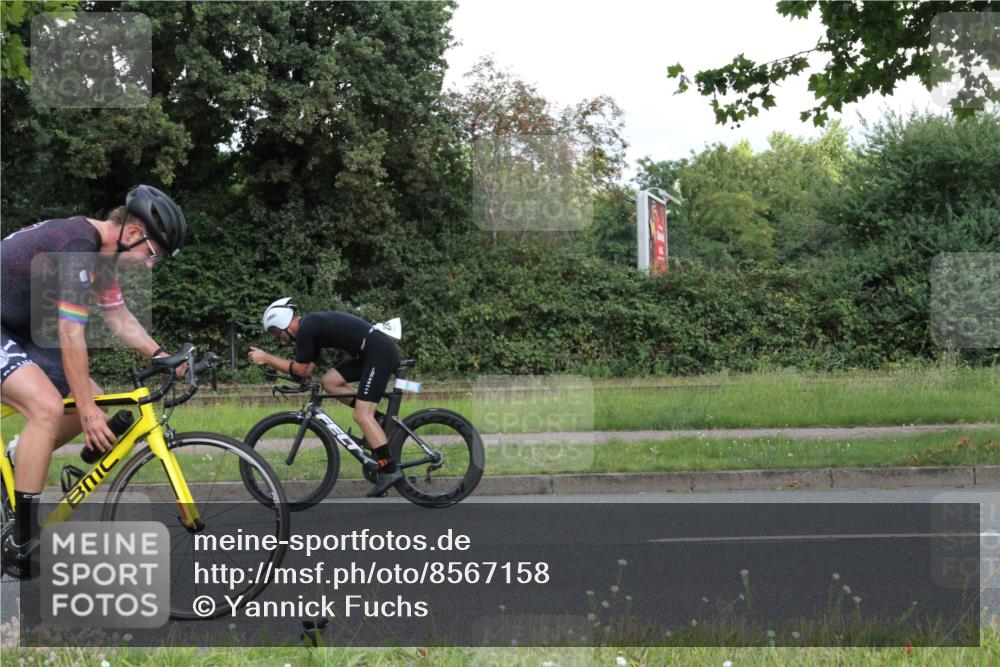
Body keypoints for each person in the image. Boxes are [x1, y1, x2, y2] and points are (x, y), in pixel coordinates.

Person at [0, 185, 187, 578]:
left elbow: (119, 319)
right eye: (153, 255)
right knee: (50, 407)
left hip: (17, 330)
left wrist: (163, 356)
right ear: (133, 232)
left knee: (96, 399)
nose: (151, 266)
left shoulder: (101, 259)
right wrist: (83, 412)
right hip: (7, 328)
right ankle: (21, 540)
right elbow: (70, 335)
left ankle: (18, 464)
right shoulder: (77, 245)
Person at [248, 299, 403, 497]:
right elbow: (305, 370)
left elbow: (301, 369)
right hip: (370, 352)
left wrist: (268, 358)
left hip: (378, 352)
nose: (277, 338)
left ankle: (389, 469)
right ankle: (379, 420)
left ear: (282, 322)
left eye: (275, 332)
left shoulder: (306, 329)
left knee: (362, 416)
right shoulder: (309, 328)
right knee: (329, 382)